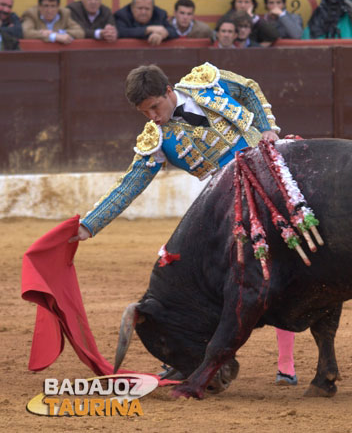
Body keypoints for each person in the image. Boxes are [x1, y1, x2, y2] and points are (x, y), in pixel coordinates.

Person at [67, 62, 298, 386]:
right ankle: (190, 354)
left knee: (286, 265)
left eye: (155, 107)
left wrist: (266, 127)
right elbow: (130, 184)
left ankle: (286, 362)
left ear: (168, 91)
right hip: (228, 204)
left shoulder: (206, 83)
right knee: (200, 275)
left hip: (272, 181)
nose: (153, 117)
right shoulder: (157, 138)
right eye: (145, 113)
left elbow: (247, 87)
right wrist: (89, 225)